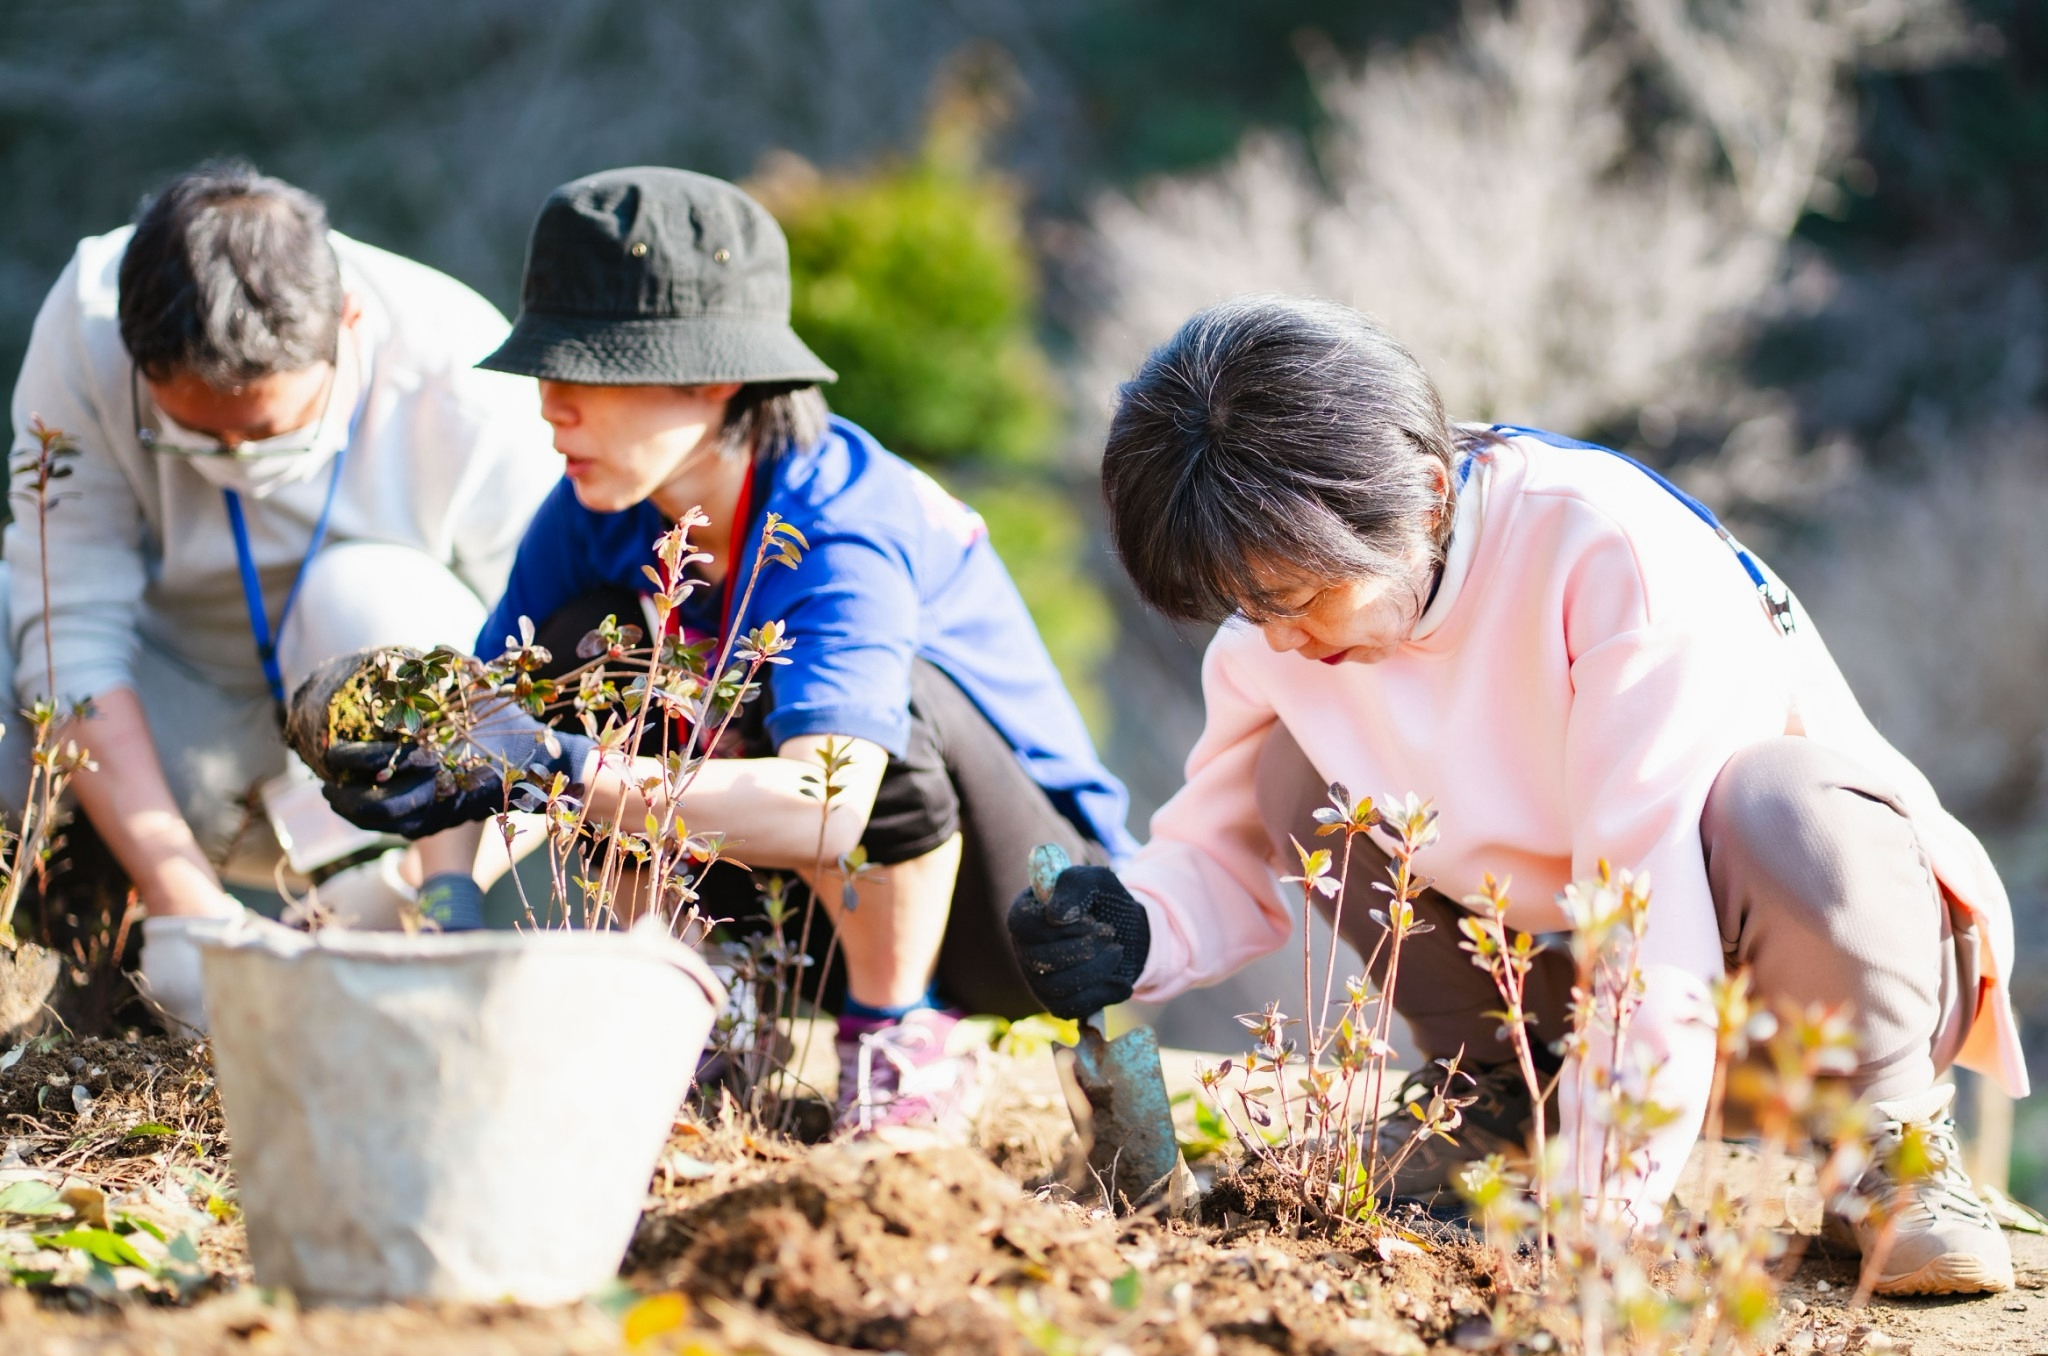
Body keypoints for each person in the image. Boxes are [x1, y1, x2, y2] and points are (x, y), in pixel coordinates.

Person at [1007, 295, 2028, 1297]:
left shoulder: (1605, 553)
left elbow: (1648, 914)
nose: (1276, 635)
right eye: (1243, 602)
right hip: (1567, 997)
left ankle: (1887, 1137)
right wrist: (1132, 925)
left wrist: (1593, 1217)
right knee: (1288, 770)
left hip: (1804, 974)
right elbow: (1223, 838)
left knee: (1783, 806)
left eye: (1299, 597)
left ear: (1423, 497)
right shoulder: (1279, 631)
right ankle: (1492, 1098)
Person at [317, 166, 1133, 1136]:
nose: (548, 407)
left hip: (1026, 917)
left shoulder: (840, 521)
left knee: (875, 715)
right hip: (810, 917)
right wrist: (444, 896)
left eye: (583, 372)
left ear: (713, 379)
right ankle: (696, 1001)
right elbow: (497, 718)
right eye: (544, 371)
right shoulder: (595, 510)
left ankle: (895, 1037)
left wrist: (559, 769)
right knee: (587, 647)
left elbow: (828, 808)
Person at [3, 160, 562, 1027]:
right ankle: (87, 958)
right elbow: (68, 627)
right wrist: (184, 899)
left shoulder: (467, 376)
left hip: (379, 795)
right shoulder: (86, 324)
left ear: (348, 323)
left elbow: (555, 702)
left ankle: (410, 927)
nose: (232, 459)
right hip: (162, 742)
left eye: (264, 431)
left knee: (367, 592)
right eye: (193, 434)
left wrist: (416, 884)